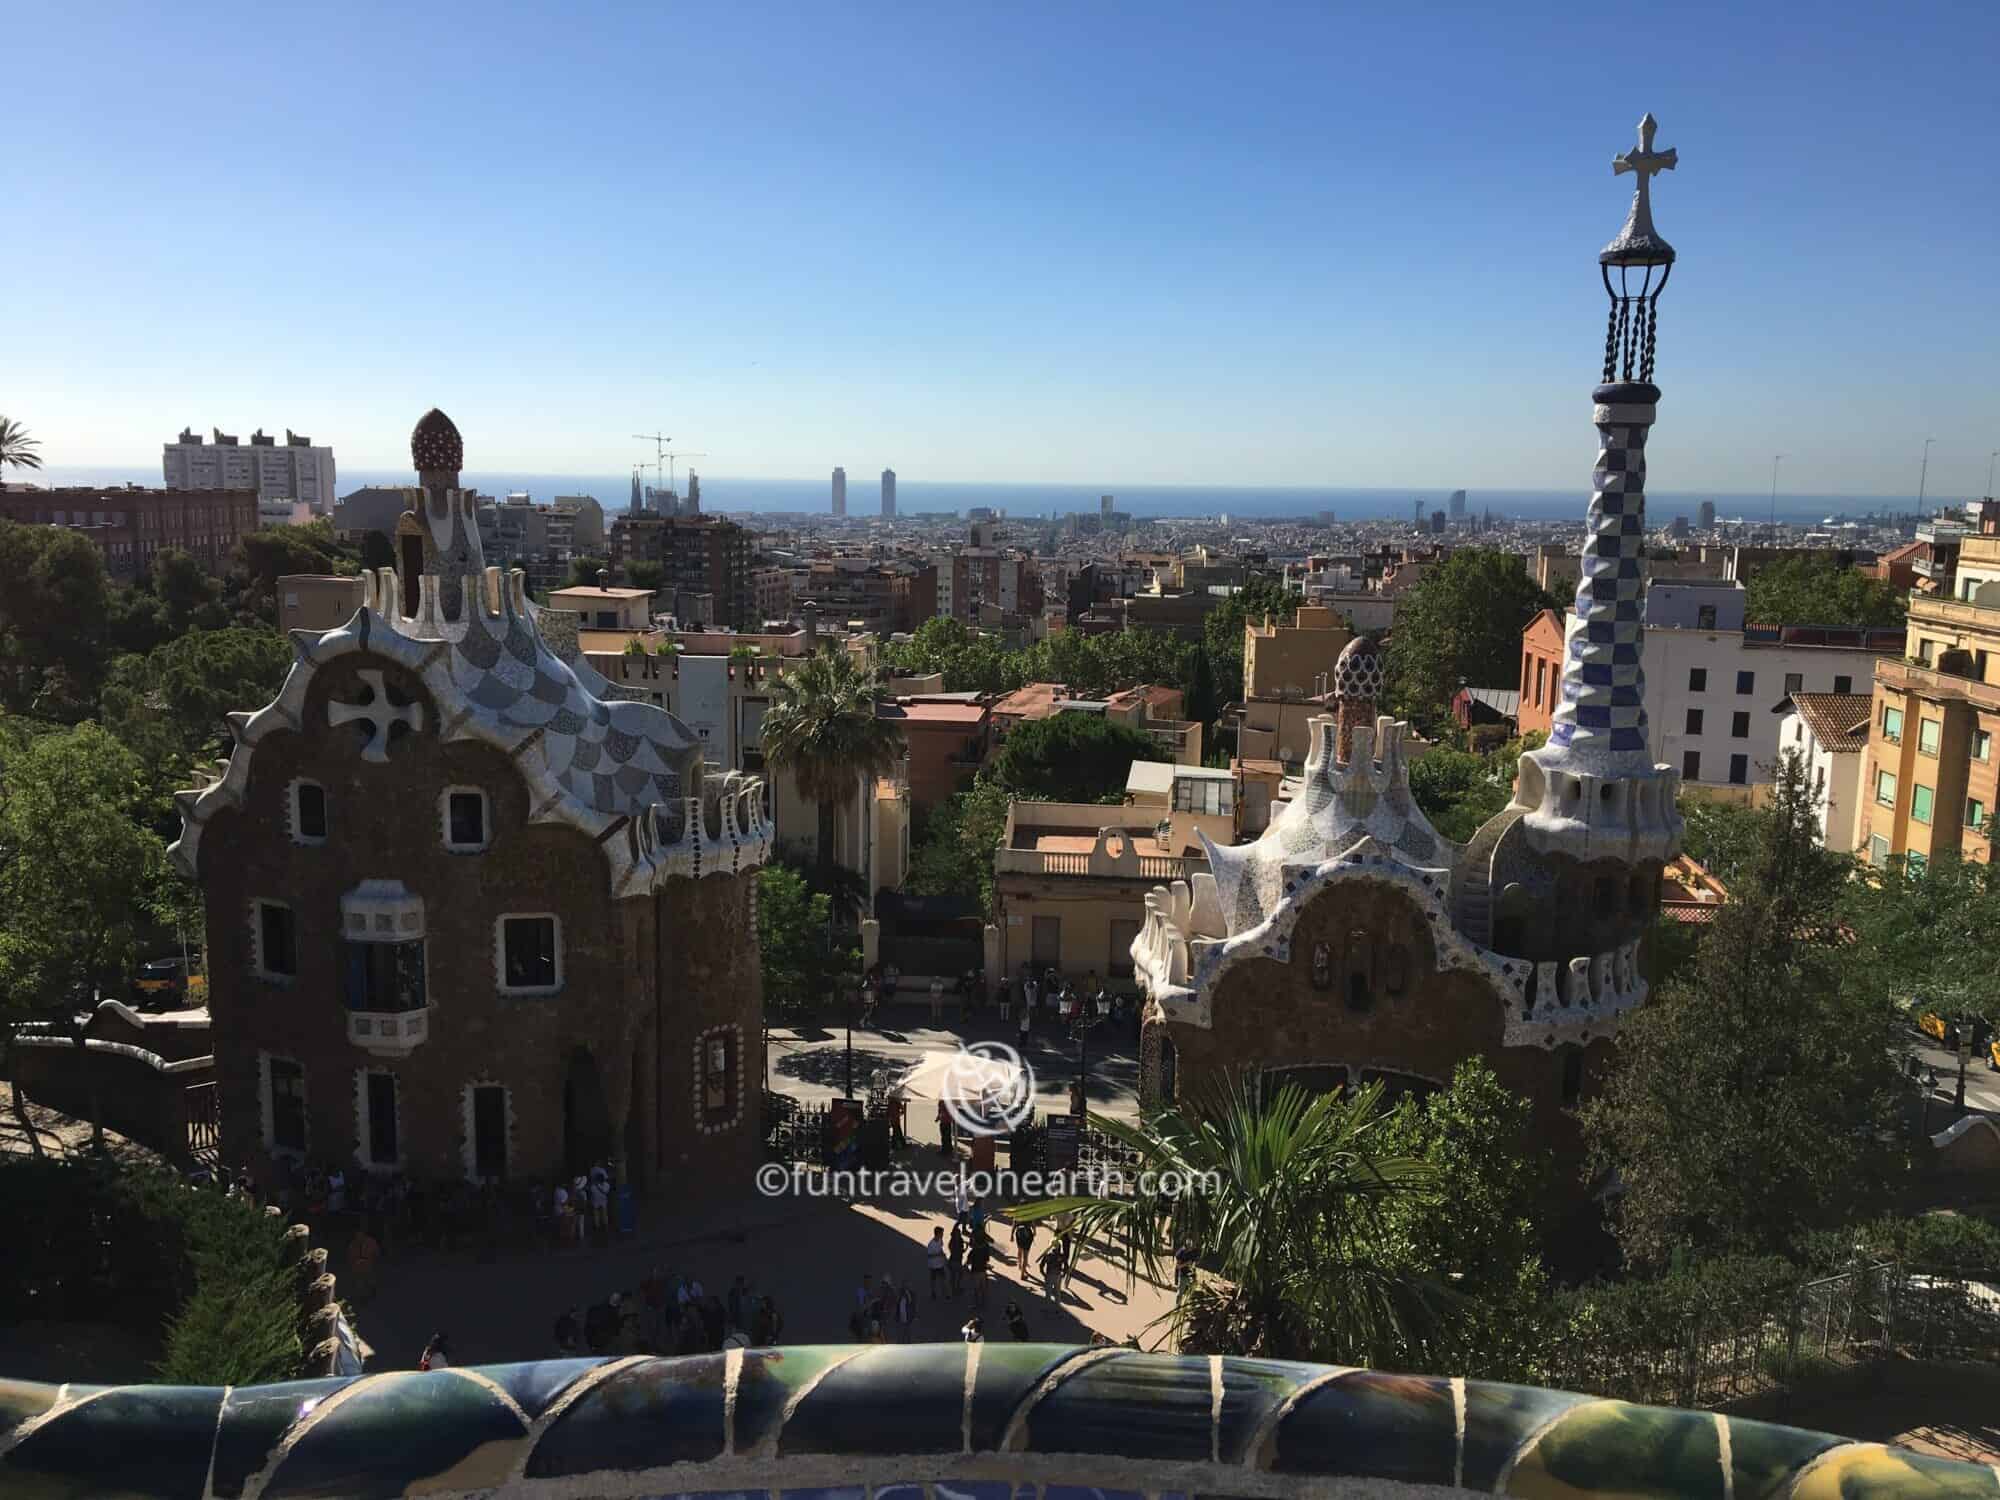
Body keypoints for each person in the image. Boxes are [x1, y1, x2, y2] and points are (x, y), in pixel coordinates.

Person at [345, 1221, 382, 1304]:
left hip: (368, 1265)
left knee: (369, 1280)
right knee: (360, 1282)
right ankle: (362, 1298)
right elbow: (350, 1256)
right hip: (357, 1266)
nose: (358, 1236)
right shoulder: (353, 1244)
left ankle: (371, 1292)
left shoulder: (370, 1242)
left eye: (360, 1234)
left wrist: (373, 1261)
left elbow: (376, 1253)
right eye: (357, 1234)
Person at [967, 1230, 991, 1306]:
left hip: (975, 1271)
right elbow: (987, 1260)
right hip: (983, 1271)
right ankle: (983, 1303)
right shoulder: (984, 1251)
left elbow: (969, 1262)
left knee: (976, 1289)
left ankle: (976, 1303)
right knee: (983, 1289)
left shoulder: (973, 1251)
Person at [926, 1226, 948, 1299]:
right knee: (933, 1280)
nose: (943, 1234)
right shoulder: (931, 1244)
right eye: (942, 1233)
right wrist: (939, 1255)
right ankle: (933, 1293)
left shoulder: (940, 1240)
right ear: (938, 1233)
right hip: (933, 1265)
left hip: (940, 1264)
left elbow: (940, 1248)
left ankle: (945, 1294)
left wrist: (943, 1256)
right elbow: (929, 1256)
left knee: (943, 1279)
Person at [948, 1223, 965, 1299]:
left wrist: (963, 1250)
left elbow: (960, 1250)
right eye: (958, 1233)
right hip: (955, 1261)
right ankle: (955, 1289)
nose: (959, 1234)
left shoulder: (955, 1241)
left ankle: (954, 1289)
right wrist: (962, 1250)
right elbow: (959, 1251)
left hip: (955, 1260)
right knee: (957, 1275)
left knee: (956, 1276)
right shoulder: (955, 1242)